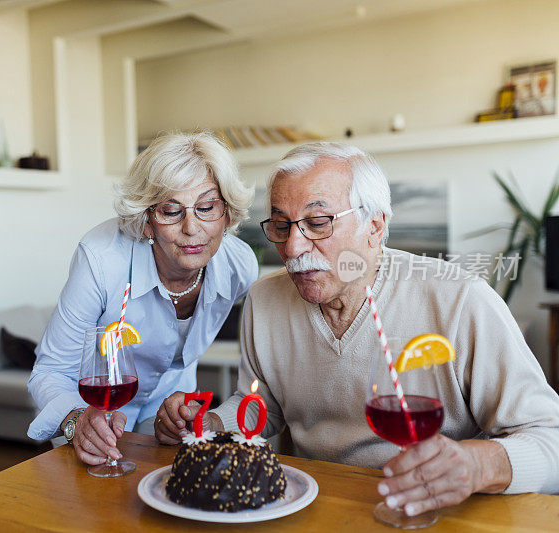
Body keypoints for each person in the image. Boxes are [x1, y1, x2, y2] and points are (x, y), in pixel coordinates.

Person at [156, 142, 559, 515]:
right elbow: (263, 406)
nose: (293, 248)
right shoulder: (264, 301)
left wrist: (476, 465)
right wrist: (212, 425)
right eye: (281, 225)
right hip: (316, 508)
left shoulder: (461, 300)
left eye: (318, 222)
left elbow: (550, 439)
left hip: (439, 513)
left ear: (376, 226)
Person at [27, 131, 258, 466]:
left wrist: (181, 411)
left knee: (162, 496)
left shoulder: (240, 267)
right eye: (170, 211)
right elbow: (49, 371)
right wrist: (75, 421)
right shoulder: (101, 259)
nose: (192, 228)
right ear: (147, 222)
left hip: (169, 408)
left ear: (227, 214)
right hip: (91, 407)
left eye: (207, 207)